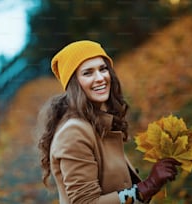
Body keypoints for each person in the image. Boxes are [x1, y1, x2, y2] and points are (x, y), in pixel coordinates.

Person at [37, 40, 180, 204]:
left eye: (103, 69)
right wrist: (148, 185)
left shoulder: (97, 122)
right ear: (74, 84)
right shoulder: (74, 132)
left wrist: (150, 183)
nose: (100, 78)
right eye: (88, 73)